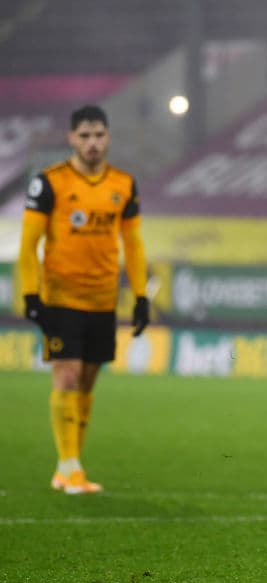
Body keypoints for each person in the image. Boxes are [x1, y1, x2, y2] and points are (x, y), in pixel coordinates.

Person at [18, 104, 150, 494]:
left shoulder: (123, 184)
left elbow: (134, 243)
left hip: (103, 299)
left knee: (88, 383)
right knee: (68, 374)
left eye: (99, 135)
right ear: (72, 138)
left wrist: (140, 295)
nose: (92, 143)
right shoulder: (50, 182)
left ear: (107, 138)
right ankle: (68, 465)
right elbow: (29, 245)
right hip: (61, 296)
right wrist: (30, 293)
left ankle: (70, 466)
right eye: (85, 136)